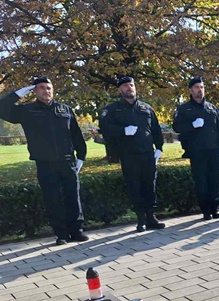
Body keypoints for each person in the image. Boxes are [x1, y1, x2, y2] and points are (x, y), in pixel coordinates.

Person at [0, 77, 87, 245]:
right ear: (34, 91)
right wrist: (17, 94)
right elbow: (1, 109)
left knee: (73, 197)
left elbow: (76, 134)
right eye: (41, 88)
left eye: (48, 87)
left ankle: (77, 231)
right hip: (45, 163)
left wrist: (81, 156)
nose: (46, 91)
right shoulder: (27, 110)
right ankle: (61, 234)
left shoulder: (65, 109)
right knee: (52, 198)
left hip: (67, 161)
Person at [100, 76, 166, 232]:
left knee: (150, 186)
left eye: (131, 85)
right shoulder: (112, 110)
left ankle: (151, 217)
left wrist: (159, 147)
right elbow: (105, 129)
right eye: (125, 86)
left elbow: (156, 129)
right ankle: (141, 219)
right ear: (119, 90)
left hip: (147, 154)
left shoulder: (146, 108)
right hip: (128, 155)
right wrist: (123, 131)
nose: (129, 88)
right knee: (134, 186)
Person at [173, 76, 219, 220]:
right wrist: (191, 125)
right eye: (197, 87)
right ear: (190, 90)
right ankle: (205, 210)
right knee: (201, 182)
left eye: (202, 87)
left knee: (214, 180)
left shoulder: (211, 107)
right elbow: (176, 127)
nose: (200, 90)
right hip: (197, 151)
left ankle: (215, 208)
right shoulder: (184, 109)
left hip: (213, 150)